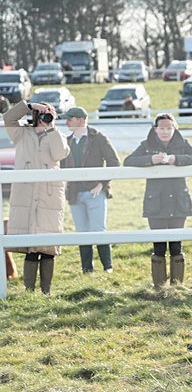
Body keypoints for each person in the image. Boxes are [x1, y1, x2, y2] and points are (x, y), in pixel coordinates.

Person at [123, 113, 192, 288]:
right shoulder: (146, 146)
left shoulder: (182, 144)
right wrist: (150, 160)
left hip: (178, 201)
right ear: (155, 129)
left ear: (174, 128)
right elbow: (128, 161)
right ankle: (159, 287)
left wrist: (178, 160)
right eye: (162, 128)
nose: (165, 131)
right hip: (156, 203)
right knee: (159, 245)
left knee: (176, 245)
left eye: (169, 128)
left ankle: (177, 287)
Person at [3, 100, 70, 294]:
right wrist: (30, 106)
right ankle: (29, 291)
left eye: (49, 114)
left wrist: (51, 128)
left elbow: (60, 154)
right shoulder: (21, 133)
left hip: (49, 195)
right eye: (42, 114)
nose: (45, 117)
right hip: (25, 194)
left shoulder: (58, 135)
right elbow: (8, 117)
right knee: (30, 246)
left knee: (47, 247)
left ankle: (46, 291)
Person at [60, 106, 120, 274]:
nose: (66, 122)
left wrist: (101, 184)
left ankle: (107, 267)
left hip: (95, 192)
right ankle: (87, 269)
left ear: (80, 120)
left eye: (69, 119)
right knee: (82, 232)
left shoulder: (98, 138)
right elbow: (62, 165)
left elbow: (114, 162)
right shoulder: (67, 141)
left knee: (99, 229)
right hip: (74, 194)